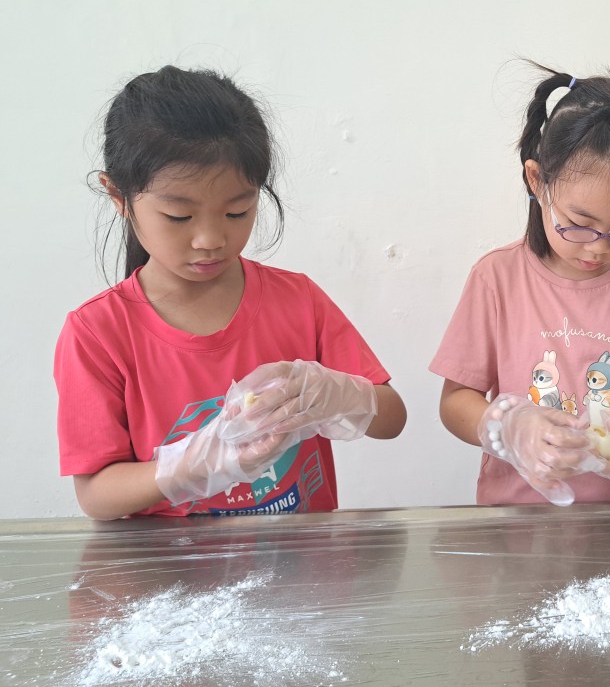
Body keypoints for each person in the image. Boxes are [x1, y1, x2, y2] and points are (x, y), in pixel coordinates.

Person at [55, 66, 407, 519]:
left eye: (237, 212)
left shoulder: (297, 300)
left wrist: (338, 395)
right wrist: (195, 465)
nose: (210, 239)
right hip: (175, 561)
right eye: (179, 217)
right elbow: (96, 497)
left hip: (300, 556)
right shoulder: (97, 333)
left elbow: (391, 420)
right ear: (118, 196)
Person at [432, 66, 610, 506]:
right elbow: (455, 401)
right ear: (537, 181)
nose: (600, 247)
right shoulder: (496, 278)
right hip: (518, 515)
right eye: (580, 223)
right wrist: (508, 427)